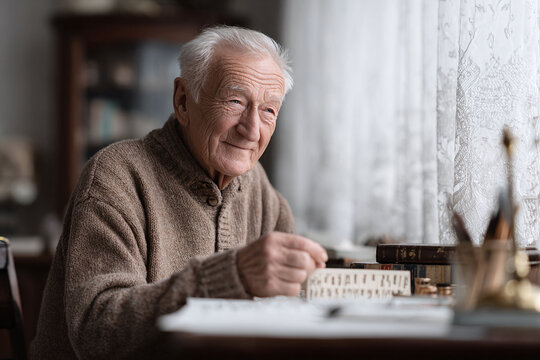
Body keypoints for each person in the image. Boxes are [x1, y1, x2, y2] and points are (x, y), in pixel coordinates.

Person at [31, 26, 328, 359]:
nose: (251, 130)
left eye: (268, 110)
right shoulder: (116, 175)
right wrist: (232, 276)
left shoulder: (259, 188)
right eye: (234, 101)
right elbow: (97, 331)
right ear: (183, 101)